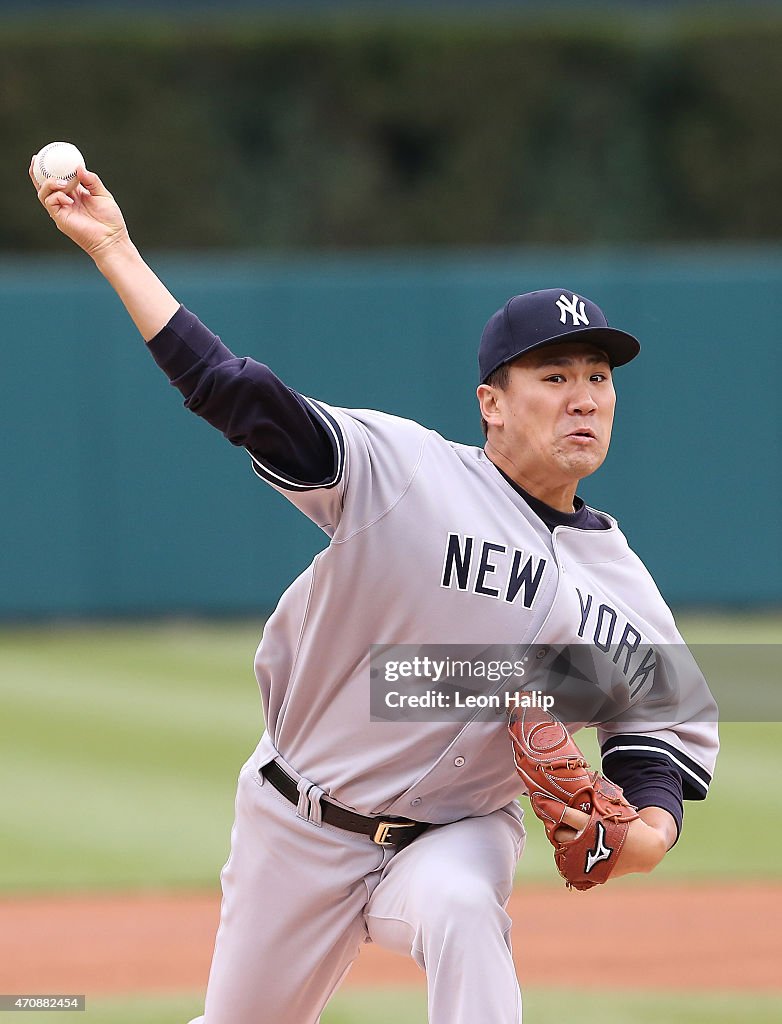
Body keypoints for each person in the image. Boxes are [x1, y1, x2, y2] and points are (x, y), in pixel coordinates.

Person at [31, 163, 718, 1024]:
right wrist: (115, 249)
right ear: (491, 405)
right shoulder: (405, 474)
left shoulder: (619, 584)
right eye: (554, 377)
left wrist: (638, 839)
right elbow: (237, 394)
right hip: (298, 825)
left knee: (467, 913)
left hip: (456, 833)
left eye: (599, 377)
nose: (584, 397)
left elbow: (654, 742)